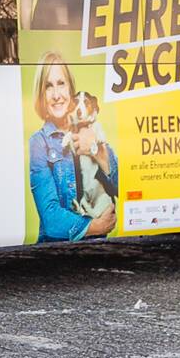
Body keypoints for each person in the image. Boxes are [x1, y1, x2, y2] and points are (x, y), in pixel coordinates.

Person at [26, 53, 118, 242]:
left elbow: (117, 185)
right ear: (41, 95)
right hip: (56, 254)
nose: (57, 95)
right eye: (48, 86)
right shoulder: (39, 142)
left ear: (71, 89)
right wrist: (95, 226)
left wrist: (94, 148)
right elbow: (51, 219)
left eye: (61, 83)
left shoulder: (91, 129)